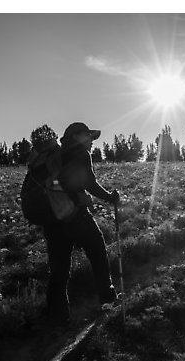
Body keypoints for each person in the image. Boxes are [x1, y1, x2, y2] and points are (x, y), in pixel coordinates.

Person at [42, 122, 120, 323]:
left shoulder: (55, 156)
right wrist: (110, 197)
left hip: (52, 218)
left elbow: (54, 183)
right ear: (77, 136)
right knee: (98, 252)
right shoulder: (80, 154)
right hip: (76, 217)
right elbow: (89, 183)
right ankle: (107, 297)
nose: (92, 142)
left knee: (59, 269)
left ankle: (56, 317)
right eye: (89, 137)